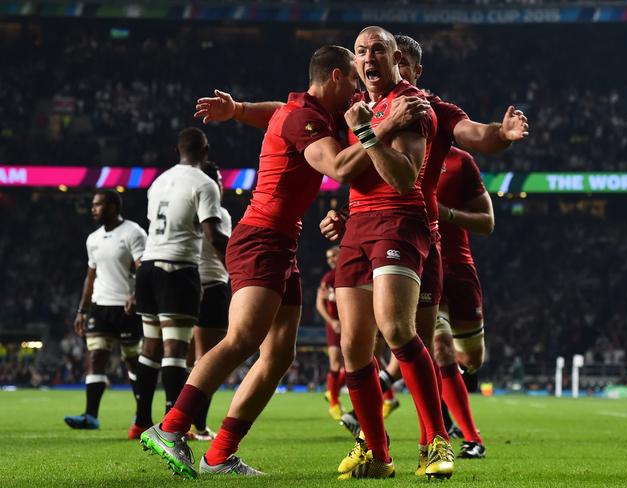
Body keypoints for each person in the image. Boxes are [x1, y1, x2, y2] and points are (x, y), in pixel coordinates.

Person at [139, 45, 426, 479]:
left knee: (277, 355)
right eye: (351, 80)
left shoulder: (306, 111)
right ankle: (171, 426)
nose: (357, 92)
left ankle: (219, 456)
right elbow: (339, 169)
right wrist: (385, 127)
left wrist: (237, 110)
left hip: (282, 244)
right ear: (334, 76)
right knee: (242, 338)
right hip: (260, 238)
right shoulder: (303, 119)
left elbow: (272, 111)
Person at [323, 34, 527, 472]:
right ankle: (377, 451)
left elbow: (426, 165)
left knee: (411, 336)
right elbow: (346, 164)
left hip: (409, 227)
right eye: (361, 52)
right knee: (357, 346)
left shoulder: (417, 107)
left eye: (378, 51)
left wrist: (502, 135)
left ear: (402, 63)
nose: (368, 59)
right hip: (364, 226)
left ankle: (438, 440)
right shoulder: (363, 105)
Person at [130, 128, 227, 440]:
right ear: (206, 150)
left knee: (150, 347)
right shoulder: (204, 183)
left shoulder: (159, 181)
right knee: (175, 349)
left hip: (148, 267)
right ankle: (176, 426)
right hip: (177, 269)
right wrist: (239, 261)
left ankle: (141, 421)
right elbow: (212, 236)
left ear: (177, 150)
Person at [64, 190, 146, 435]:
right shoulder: (93, 239)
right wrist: (82, 310)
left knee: (132, 360)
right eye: (93, 205)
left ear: (113, 206)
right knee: (96, 357)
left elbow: (143, 268)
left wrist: (136, 296)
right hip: (100, 306)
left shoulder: (134, 232)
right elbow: (91, 276)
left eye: (98, 205)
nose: (93, 209)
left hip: (126, 307)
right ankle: (91, 416)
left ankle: (142, 414)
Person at [436, 146, 493, 458]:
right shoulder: (396, 152)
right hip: (421, 267)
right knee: (441, 348)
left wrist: (447, 214)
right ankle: (472, 438)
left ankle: (463, 382)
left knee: (471, 359)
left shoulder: (460, 161)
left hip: (459, 267)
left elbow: (487, 222)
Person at [187, 161, 233, 441]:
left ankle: (176, 419)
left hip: (185, 286)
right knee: (209, 360)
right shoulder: (218, 213)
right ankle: (197, 426)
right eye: (216, 179)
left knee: (184, 359)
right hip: (212, 286)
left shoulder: (185, 209)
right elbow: (219, 247)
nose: (220, 185)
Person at [315, 245, 346, 420]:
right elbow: (319, 304)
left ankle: (331, 392)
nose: (331, 260)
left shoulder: (350, 271)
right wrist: (332, 321)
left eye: (334, 255)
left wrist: (334, 297)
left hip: (351, 322)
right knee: (335, 363)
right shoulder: (328, 278)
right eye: (328, 257)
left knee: (351, 365)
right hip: (335, 325)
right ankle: (334, 402)